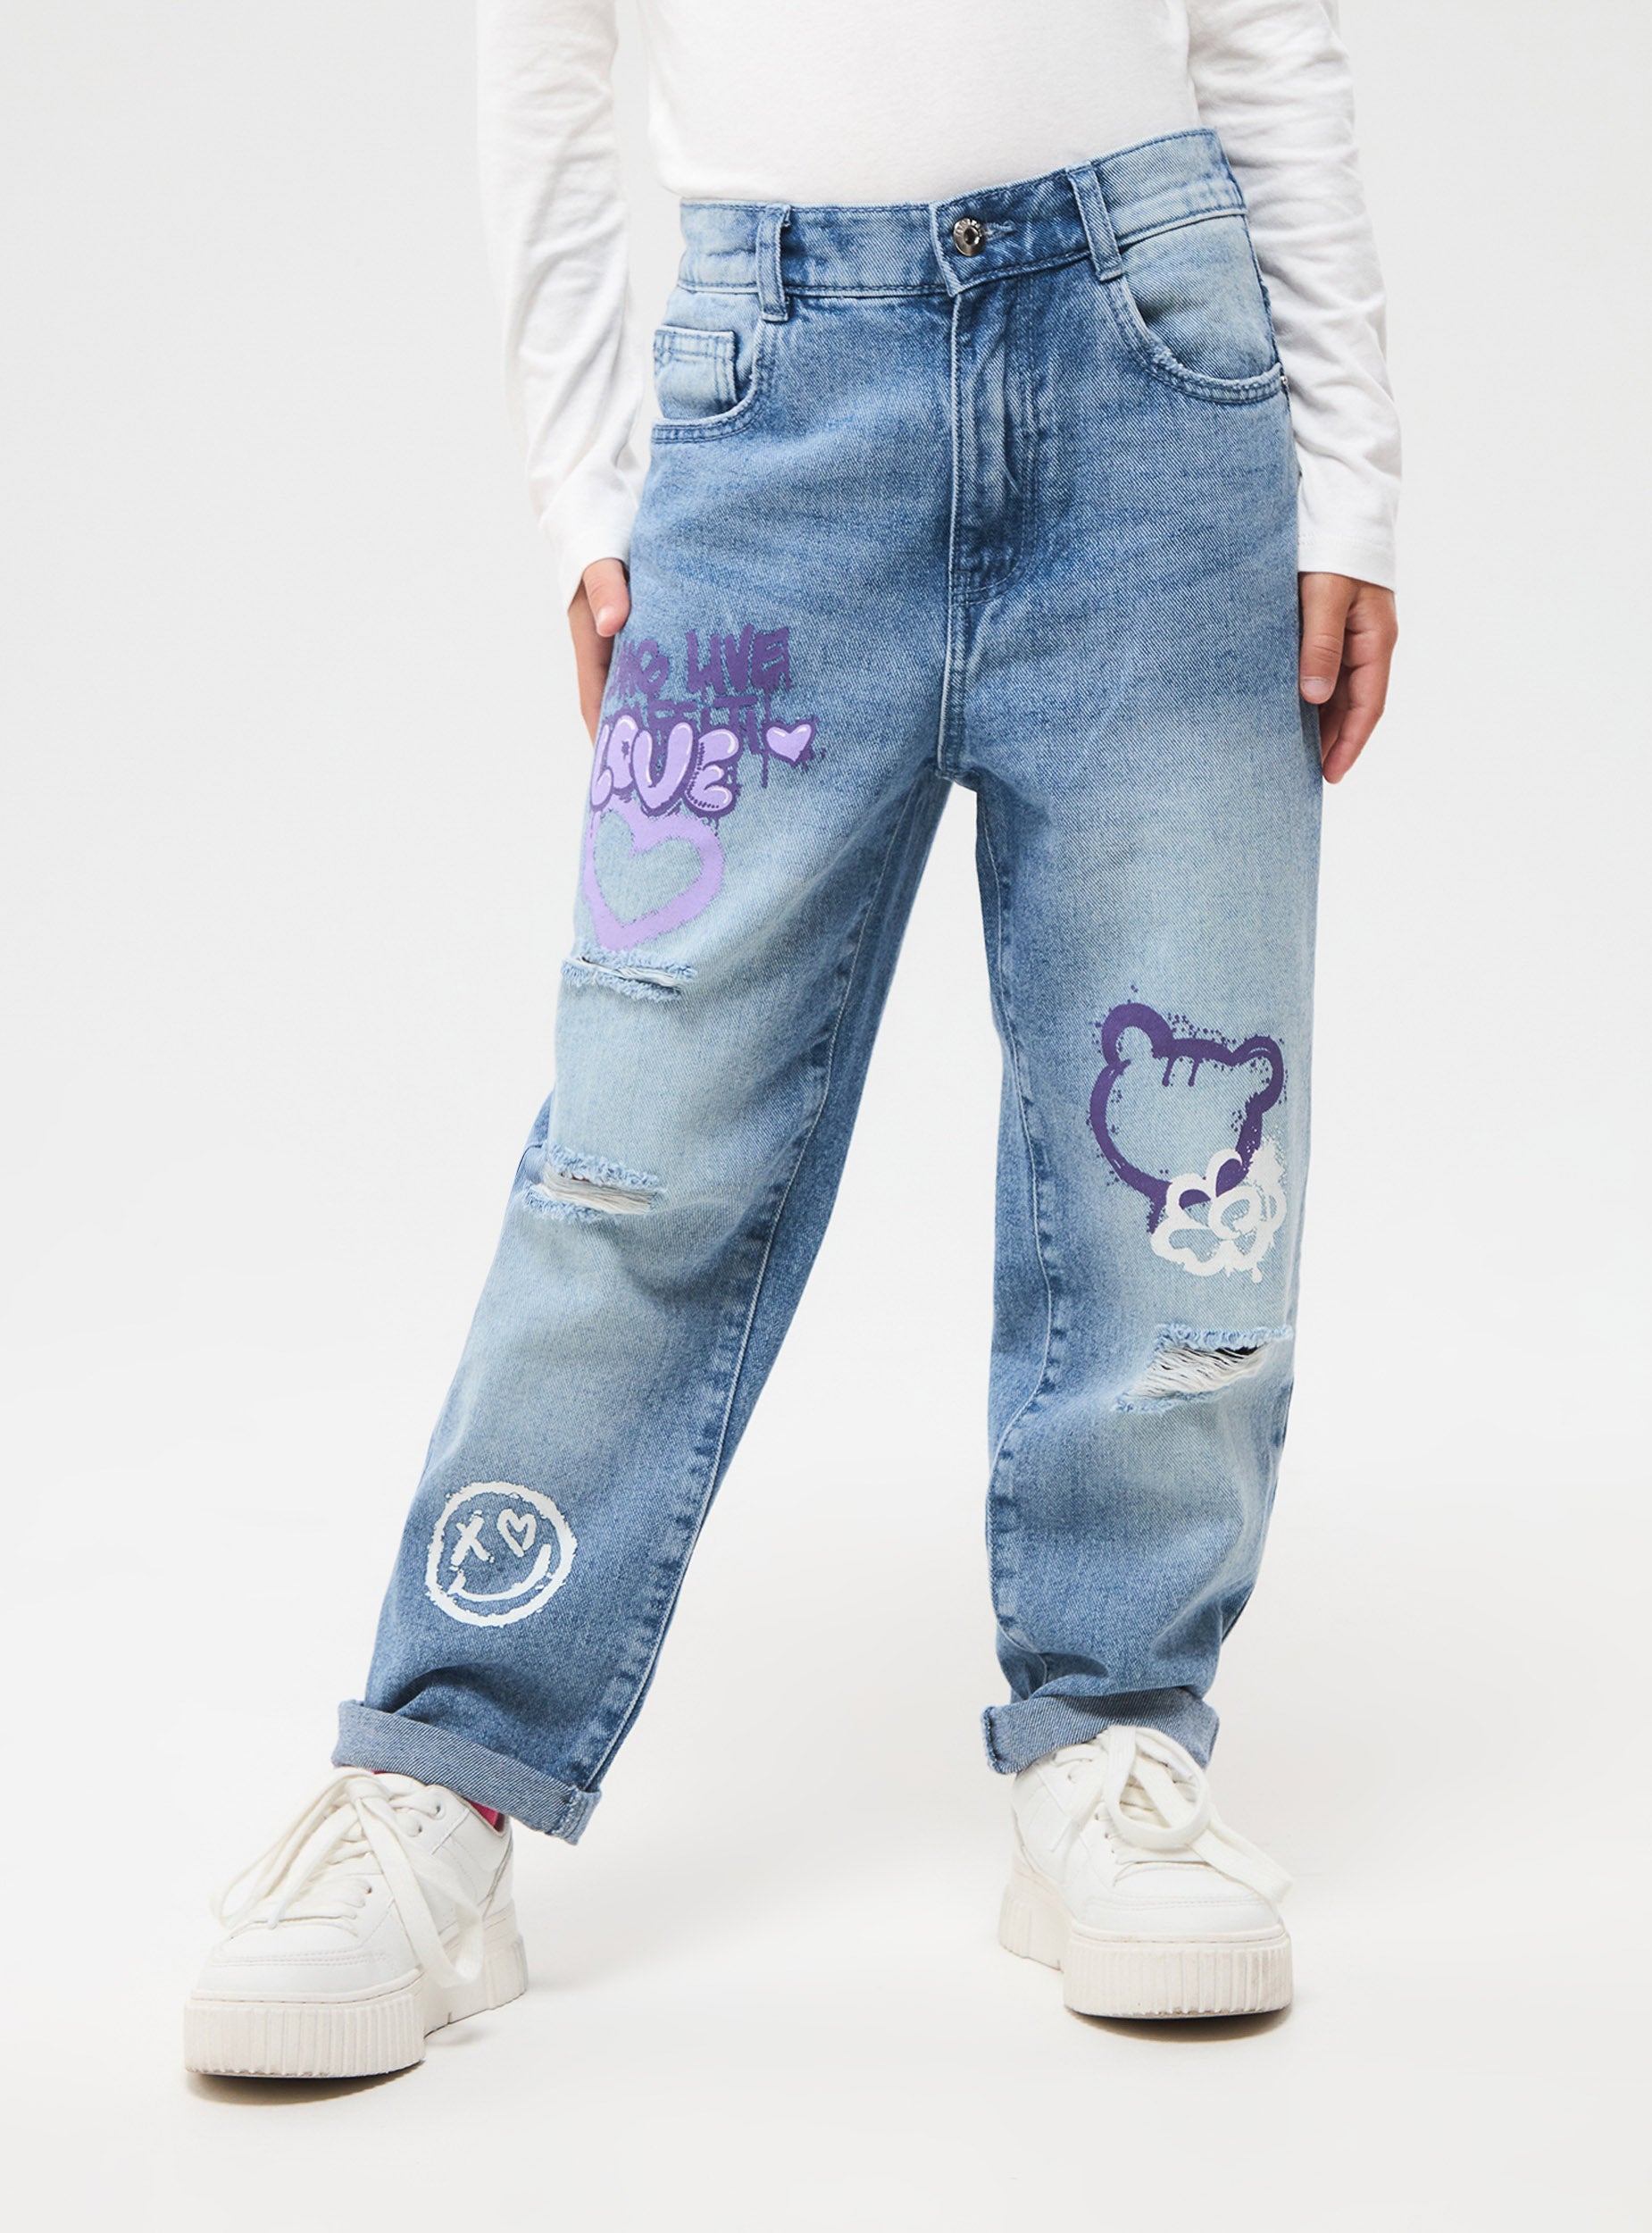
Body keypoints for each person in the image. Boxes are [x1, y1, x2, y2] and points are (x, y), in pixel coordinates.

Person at [185, 0, 1399, 2078]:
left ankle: (1116, 1742)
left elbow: (1264, 23)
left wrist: (1353, 474)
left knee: (1179, 1134)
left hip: (1161, 388)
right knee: (641, 1136)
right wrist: (584, 485)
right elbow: (542, 51)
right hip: (768, 412)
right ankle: (442, 1769)